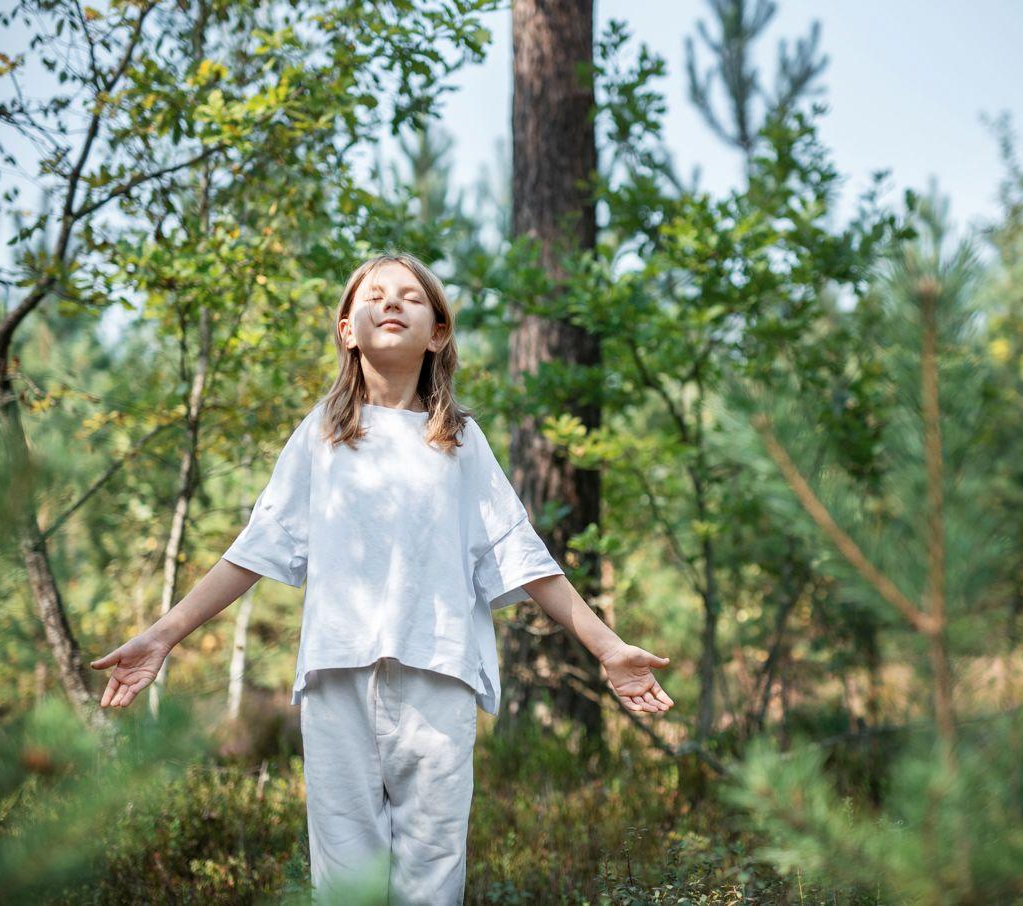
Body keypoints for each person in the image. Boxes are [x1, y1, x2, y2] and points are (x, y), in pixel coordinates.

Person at [88, 251, 674, 904]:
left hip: (438, 679)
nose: (391, 303)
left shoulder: (458, 442)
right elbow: (255, 549)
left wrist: (607, 647)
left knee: (431, 881)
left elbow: (520, 553)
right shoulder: (322, 436)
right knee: (347, 885)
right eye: (374, 294)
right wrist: (163, 635)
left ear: (439, 334)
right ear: (346, 328)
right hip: (338, 679)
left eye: (411, 297)